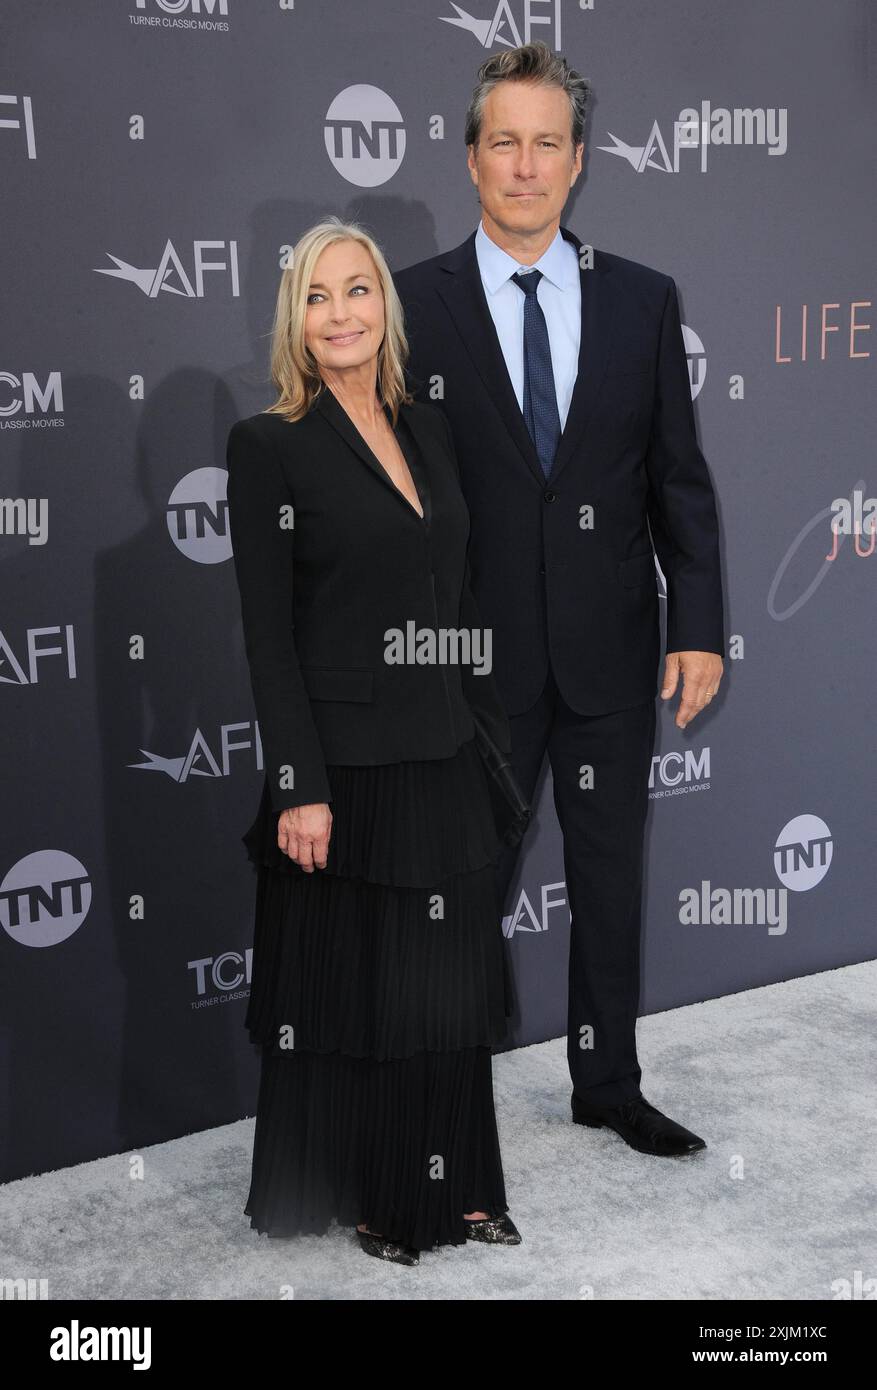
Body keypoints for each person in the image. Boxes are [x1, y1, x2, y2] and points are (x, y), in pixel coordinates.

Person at [394, 42, 725, 1157]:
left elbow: (678, 481)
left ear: (579, 162)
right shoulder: (405, 309)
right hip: (469, 667)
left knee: (607, 883)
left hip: (610, 656)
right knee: (458, 899)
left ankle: (609, 1082)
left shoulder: (639, 300)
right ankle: (435, 1105)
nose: (525, 166)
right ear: (471, 158)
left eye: (547, 144)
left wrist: (699, 632)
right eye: (505, 143)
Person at [226, 216, 525, 1265]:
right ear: (294, 319)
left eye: (357, 291)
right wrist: (298, 784)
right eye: (317, 296)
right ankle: (380, 1194)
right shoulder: (267, 446)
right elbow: (268, 632)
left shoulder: (425, 426)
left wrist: (480, 721)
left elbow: (455, 582)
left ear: (383, 308)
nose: (341, 313)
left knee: (443, 986)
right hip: (344, 767)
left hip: (441, 748)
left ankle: (462, 1187)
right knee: (360, 994)